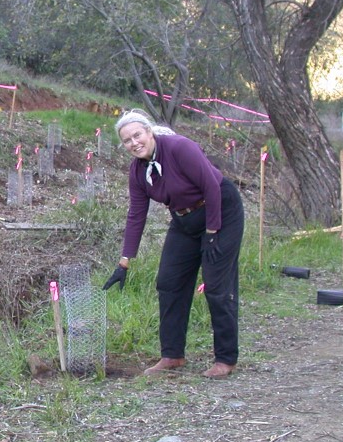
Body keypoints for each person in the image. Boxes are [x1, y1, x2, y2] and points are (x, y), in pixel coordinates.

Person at [102, 109, 244, 378]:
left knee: (216, 285)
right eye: (127, 140)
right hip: (184, 220)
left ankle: (226, 358)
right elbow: (136, 215)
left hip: (220, 210)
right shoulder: (138, 171)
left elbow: (212, 186)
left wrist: (212, 232)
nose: (134, 143)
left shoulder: (179, 148)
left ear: (149, 132)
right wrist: (124, 261)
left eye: (137, 135)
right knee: (169, 281)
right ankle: (172, 355)